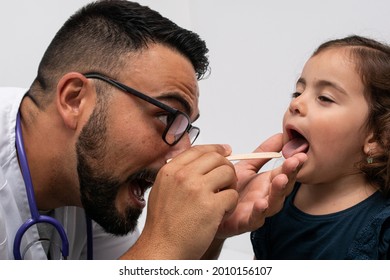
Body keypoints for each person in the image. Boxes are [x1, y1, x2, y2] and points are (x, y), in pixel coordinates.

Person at [0, 0, 307, 260]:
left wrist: (208, 237)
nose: (182, 151)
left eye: (187, 127)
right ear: (74, 99)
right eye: (166, 116)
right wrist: (163, 245)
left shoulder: (95, 183)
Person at [251, 35, 390, 260]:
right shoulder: (274, 203)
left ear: (376, 138)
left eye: (324, 98)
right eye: (297, 92)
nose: (295, 104)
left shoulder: (383, 231)